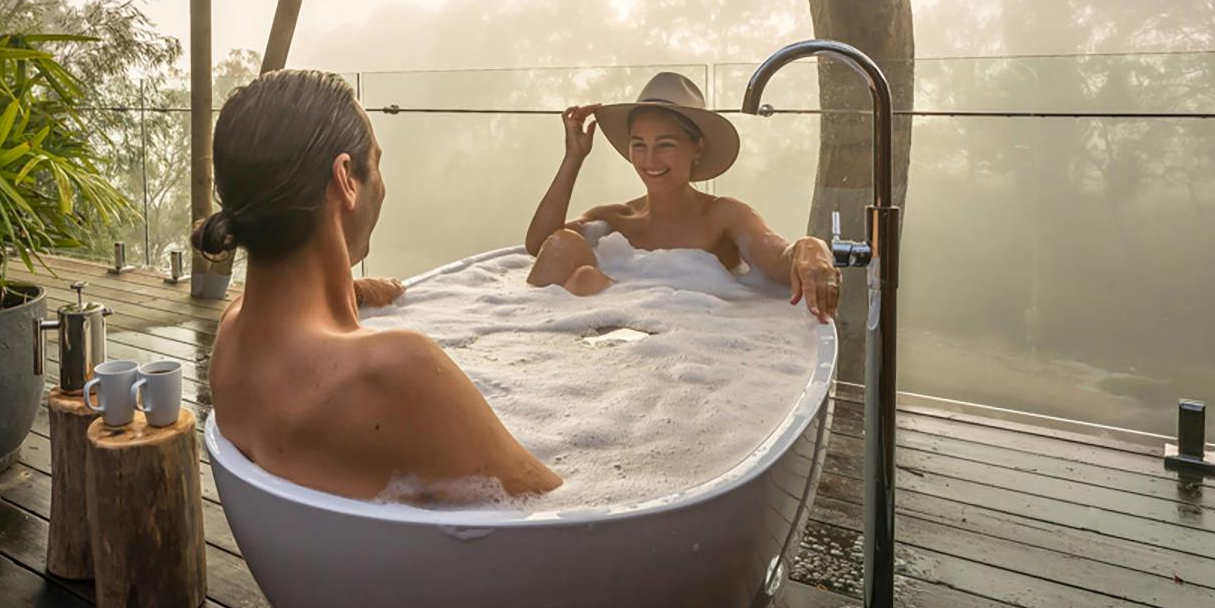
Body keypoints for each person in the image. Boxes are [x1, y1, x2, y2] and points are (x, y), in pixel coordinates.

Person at [199, 69, 562, 504]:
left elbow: (297, 312)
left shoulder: (233, 333)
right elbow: (555, 513)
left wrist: (358, 289)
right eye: (377, 163)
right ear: (346, 179)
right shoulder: (394, 370)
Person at [523, 71, 841, 322]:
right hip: (618, 352)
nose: (650, 160)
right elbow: (540, 246)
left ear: (696, 147)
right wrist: (573, 158)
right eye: (639, 145)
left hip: (694, 348)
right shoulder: (615, 220)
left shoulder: (724, 216)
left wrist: (813, 246)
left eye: (665, 145)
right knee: (573, 261)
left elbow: (779, 261)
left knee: (586, 280)